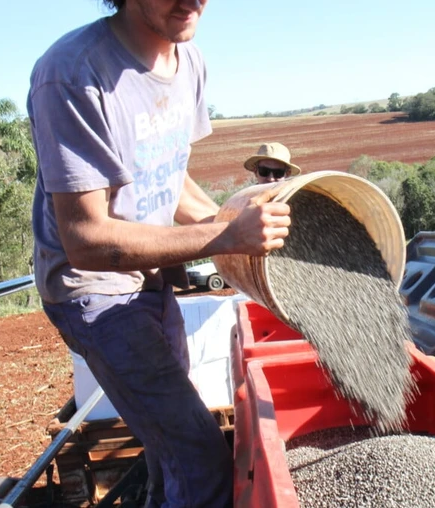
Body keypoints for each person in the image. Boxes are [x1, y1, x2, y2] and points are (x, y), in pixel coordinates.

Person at [26, 1, 291, 506]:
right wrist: (227, 237)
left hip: (148, 278)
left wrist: (237, 225)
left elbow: (172, 180)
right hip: (93, 292)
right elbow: (86, 238)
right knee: (200, 458)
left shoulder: (188, 60)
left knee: (168, 444)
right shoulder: (73, 74)